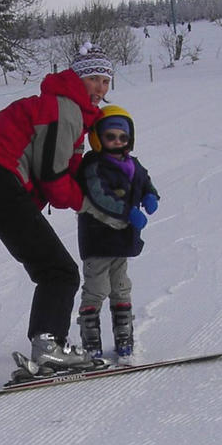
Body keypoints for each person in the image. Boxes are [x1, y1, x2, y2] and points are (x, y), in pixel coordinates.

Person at [0, 43, 112, 374]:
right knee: (58, 271)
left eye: (106, 81)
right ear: (77, 79)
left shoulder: (45, 104)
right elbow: (53, 179)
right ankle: (49, 345)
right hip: (0, 185)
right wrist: (91, 207)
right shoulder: (64, 108)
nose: (100, 88)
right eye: (94, 78)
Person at [75, 105, 160, 362]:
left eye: (122, 137)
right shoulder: (94, 165)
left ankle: (124, 335)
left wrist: (150, 195)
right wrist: (126, 211)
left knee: (121, 286)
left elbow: (144, 180)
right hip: (98, 237)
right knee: (97, 288)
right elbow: (100, 196)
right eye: (110, 137)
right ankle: (91, 341)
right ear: (99, 138)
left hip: (122, 239)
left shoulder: (132, 163)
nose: (117, 142)